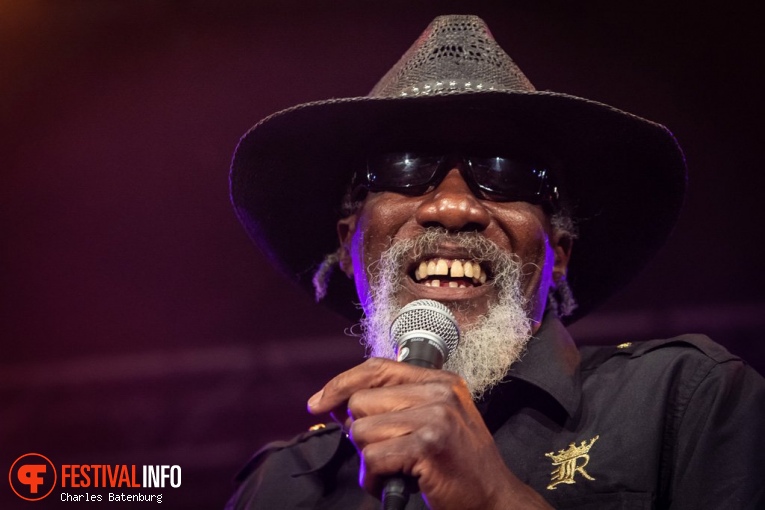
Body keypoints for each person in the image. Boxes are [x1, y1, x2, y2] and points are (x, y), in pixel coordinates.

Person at [226, 15, 765, 510]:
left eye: (507, 174)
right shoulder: (283, 484)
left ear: (560, 255)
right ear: (348, 247)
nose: (453, 207)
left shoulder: (687, 398)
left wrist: (494, 499)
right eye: (405, 167)